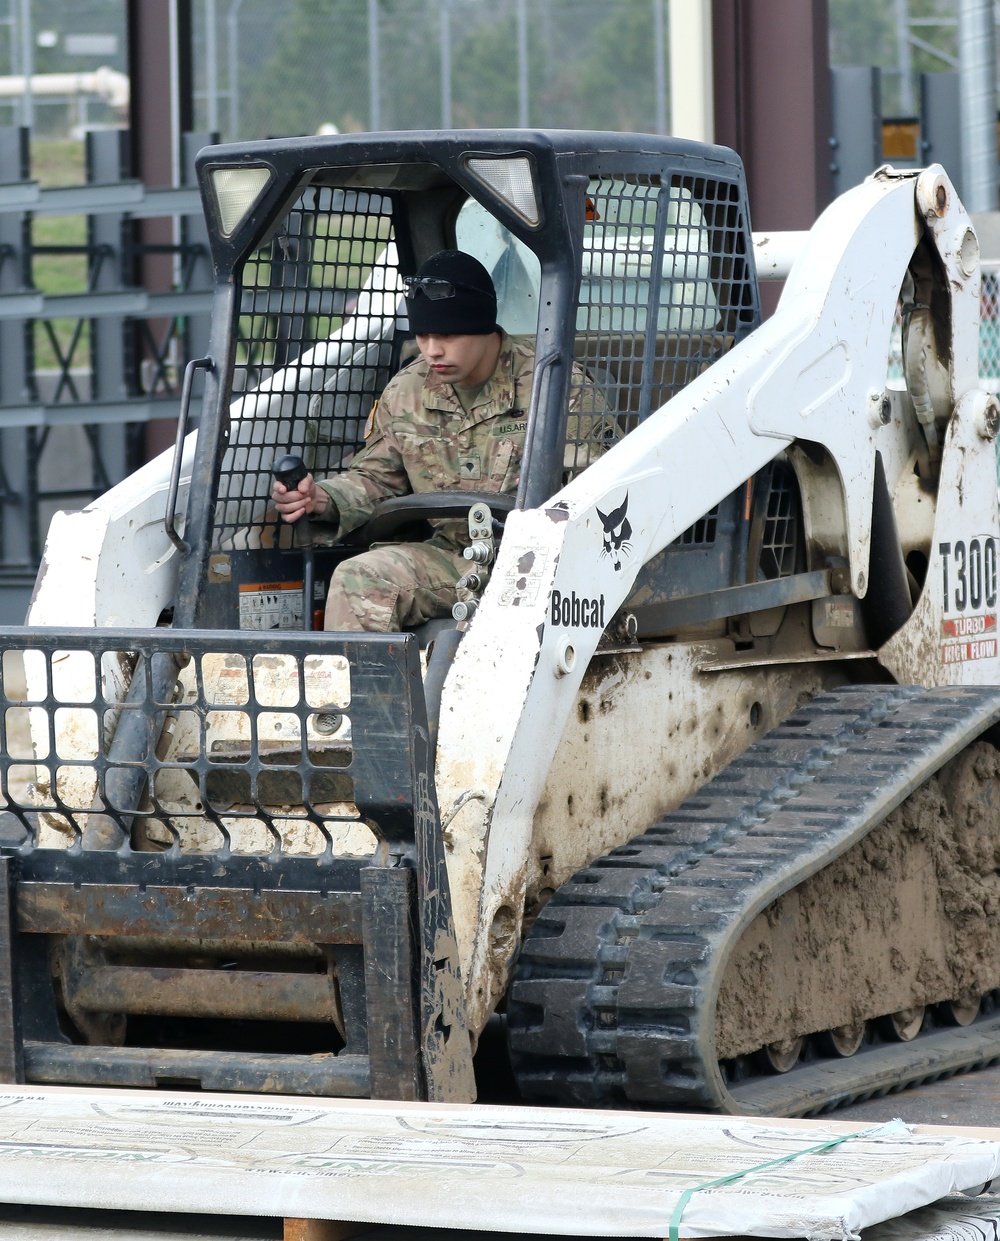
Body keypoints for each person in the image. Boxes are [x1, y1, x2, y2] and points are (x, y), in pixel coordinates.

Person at [271, 249, 608, 632]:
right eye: (424, 334)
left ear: (483, 325)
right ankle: (370, 692)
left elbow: (597, 495)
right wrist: (322, 499)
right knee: (359, 578)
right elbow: (378, 478)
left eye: (447, 334)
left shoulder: (556, 388)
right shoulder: (407, 391)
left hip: (546, 563)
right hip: (453, 556)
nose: (433, 349)